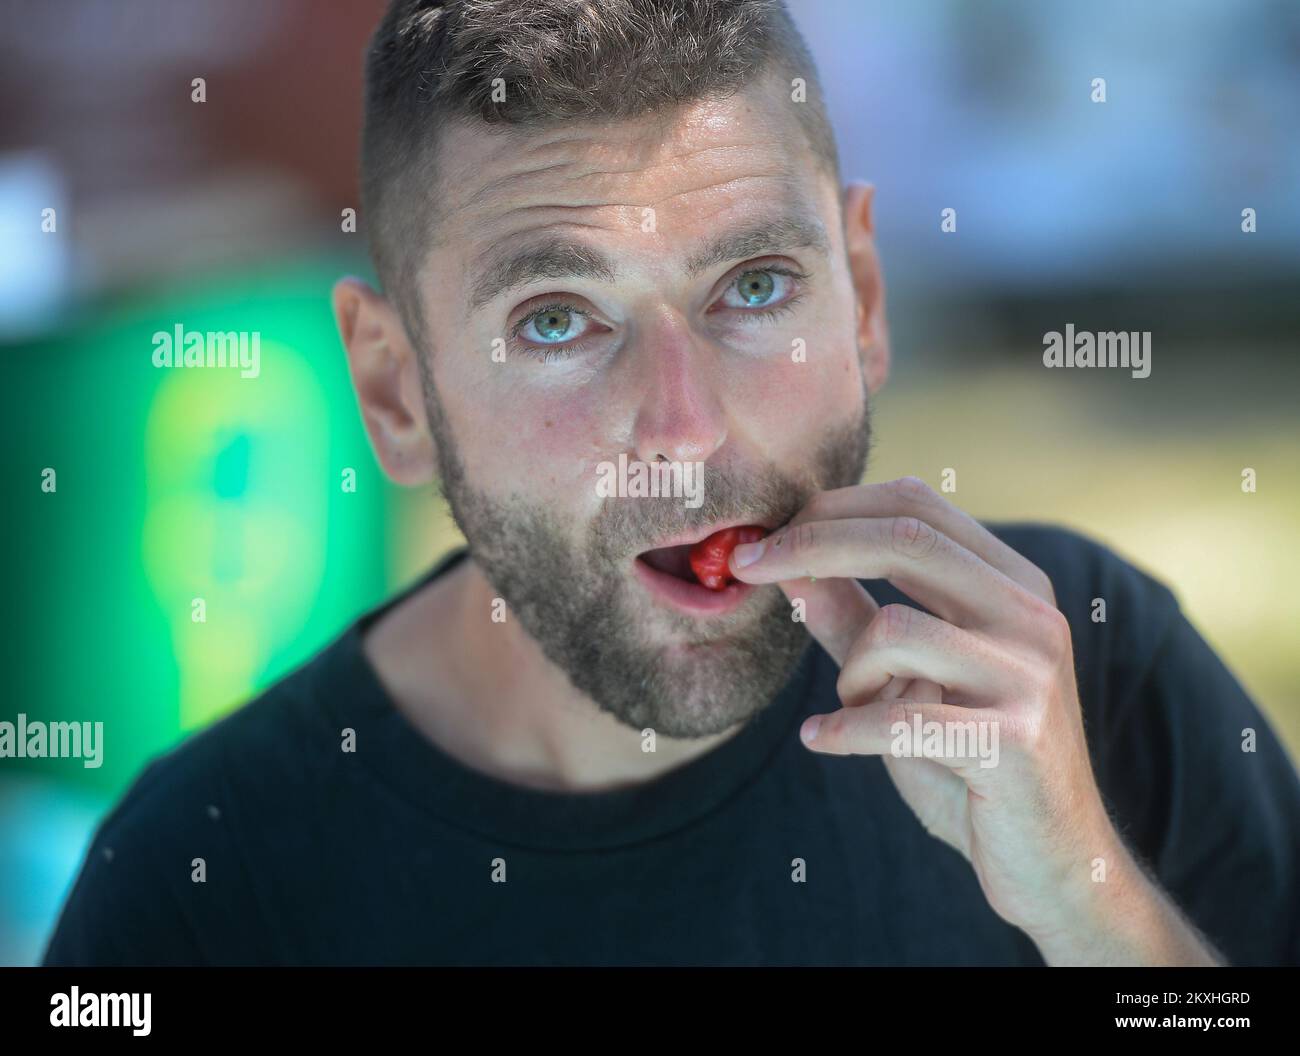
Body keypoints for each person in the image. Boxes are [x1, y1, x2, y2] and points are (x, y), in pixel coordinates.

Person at [44, 0, 1300, 966]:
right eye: (555, 321)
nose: (684, 430)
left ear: (859, 298)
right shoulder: (202, 877)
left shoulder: (1085, 674)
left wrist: (1088, 905)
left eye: (752, 288)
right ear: (395, 394)